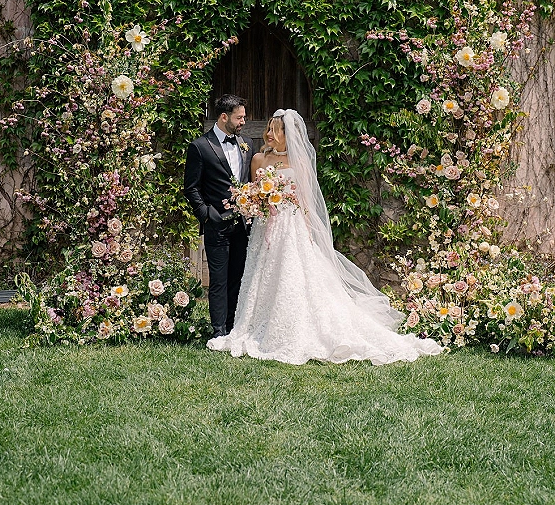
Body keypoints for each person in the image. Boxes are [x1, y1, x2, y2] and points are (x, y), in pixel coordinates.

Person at [207, 109, 443, 365]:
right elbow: (255, 194)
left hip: (292, 229)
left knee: (293, 277)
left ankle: (298, 328)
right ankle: (255, 324)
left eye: (276, 130)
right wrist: (254, 203)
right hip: (265, 229)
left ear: (289, 134)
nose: (269, 134)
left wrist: (307, 233)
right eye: (269, 129)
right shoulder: (258, 160)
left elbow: (307, 202)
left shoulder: (299, 164)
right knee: (261, 277)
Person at [184, 95, 255, 338]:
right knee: (218, 280)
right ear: (224, 117)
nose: (243, 122)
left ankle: (233, 327)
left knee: (237, 277)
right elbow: (191, 188)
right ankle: (218, 331)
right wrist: (206, 215)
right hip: (216, 224)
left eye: (244, 117)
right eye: (239, 117)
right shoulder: (200, 146)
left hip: (242, 226)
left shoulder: (246, 144)